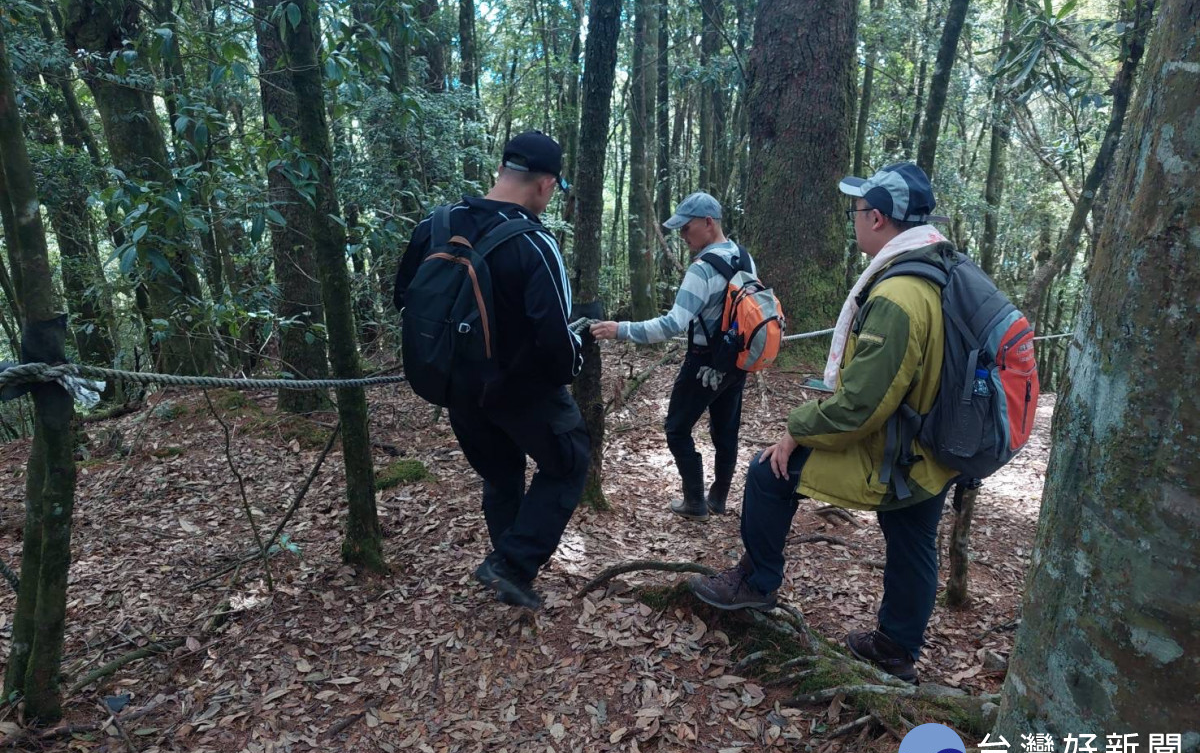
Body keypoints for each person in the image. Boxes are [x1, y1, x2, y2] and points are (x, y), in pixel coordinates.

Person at [688, 163, 959, 685]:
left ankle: (757, 583)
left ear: (877, 218)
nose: (853, 219)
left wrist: (796, 429)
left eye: (857, 210)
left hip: (898, 449)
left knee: (769, 473)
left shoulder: (899, 295)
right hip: (937, 444)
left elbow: (860, 404)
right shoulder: (941, 267)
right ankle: (896, 649)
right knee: (913, 539)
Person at [394, 130, 588, 610]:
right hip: (520, 390)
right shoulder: (536, 243)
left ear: (502, 171)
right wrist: (576, 357)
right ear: (545, 185)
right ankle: (512, 565)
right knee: (570, 461)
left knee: (501, 474)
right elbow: (556, 338)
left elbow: (404, 299)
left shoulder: (435, 224)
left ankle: (509, 570)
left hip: (455, 386)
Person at [590, 192, 755, 522]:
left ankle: (695, 501)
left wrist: (619, 329)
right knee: (726, 430)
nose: (682, 236)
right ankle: (719, 497)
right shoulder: (744, 257)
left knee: (677, 429)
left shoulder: (702, 269)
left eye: (686, 228)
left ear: (708, 223)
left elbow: (671, 324)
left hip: (703, 363)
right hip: (737, 360)